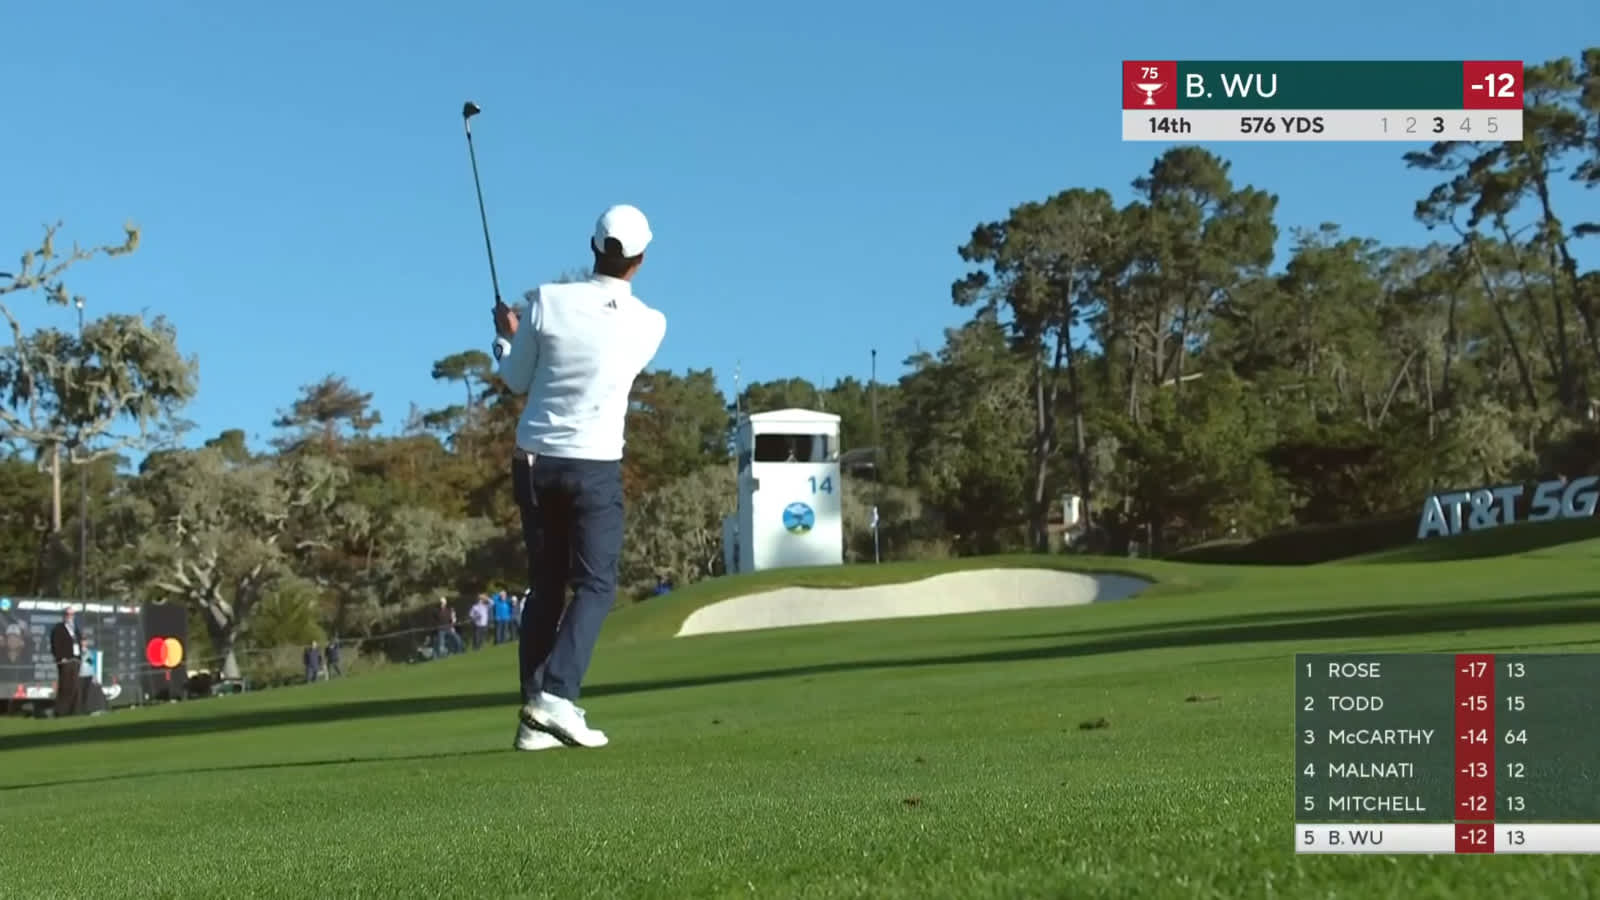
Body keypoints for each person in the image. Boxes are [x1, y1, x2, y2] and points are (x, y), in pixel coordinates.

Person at [491, 204, 666, 751]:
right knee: (595, 583)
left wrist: (506, 340)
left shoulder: (546, 300)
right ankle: (556, 697)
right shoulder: (651, 324)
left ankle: (532, 718)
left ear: (593, 246)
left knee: (545, 586)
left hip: (535, 460)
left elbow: (516, 380)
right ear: (639, 259)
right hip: (593, 464)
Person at [49, 608, 82, 717]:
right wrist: (60, 658)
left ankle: (74, 711)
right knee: (65, 686)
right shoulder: (58, 628)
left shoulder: (75, 629)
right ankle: (61, 711)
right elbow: (55, 644)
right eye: (68, 614)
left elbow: (79, 643)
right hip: (65, 661)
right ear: (64, 615)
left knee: (75, 686)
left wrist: (79, 657)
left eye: (72, 614)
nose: (70, 616)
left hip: (75, 660)